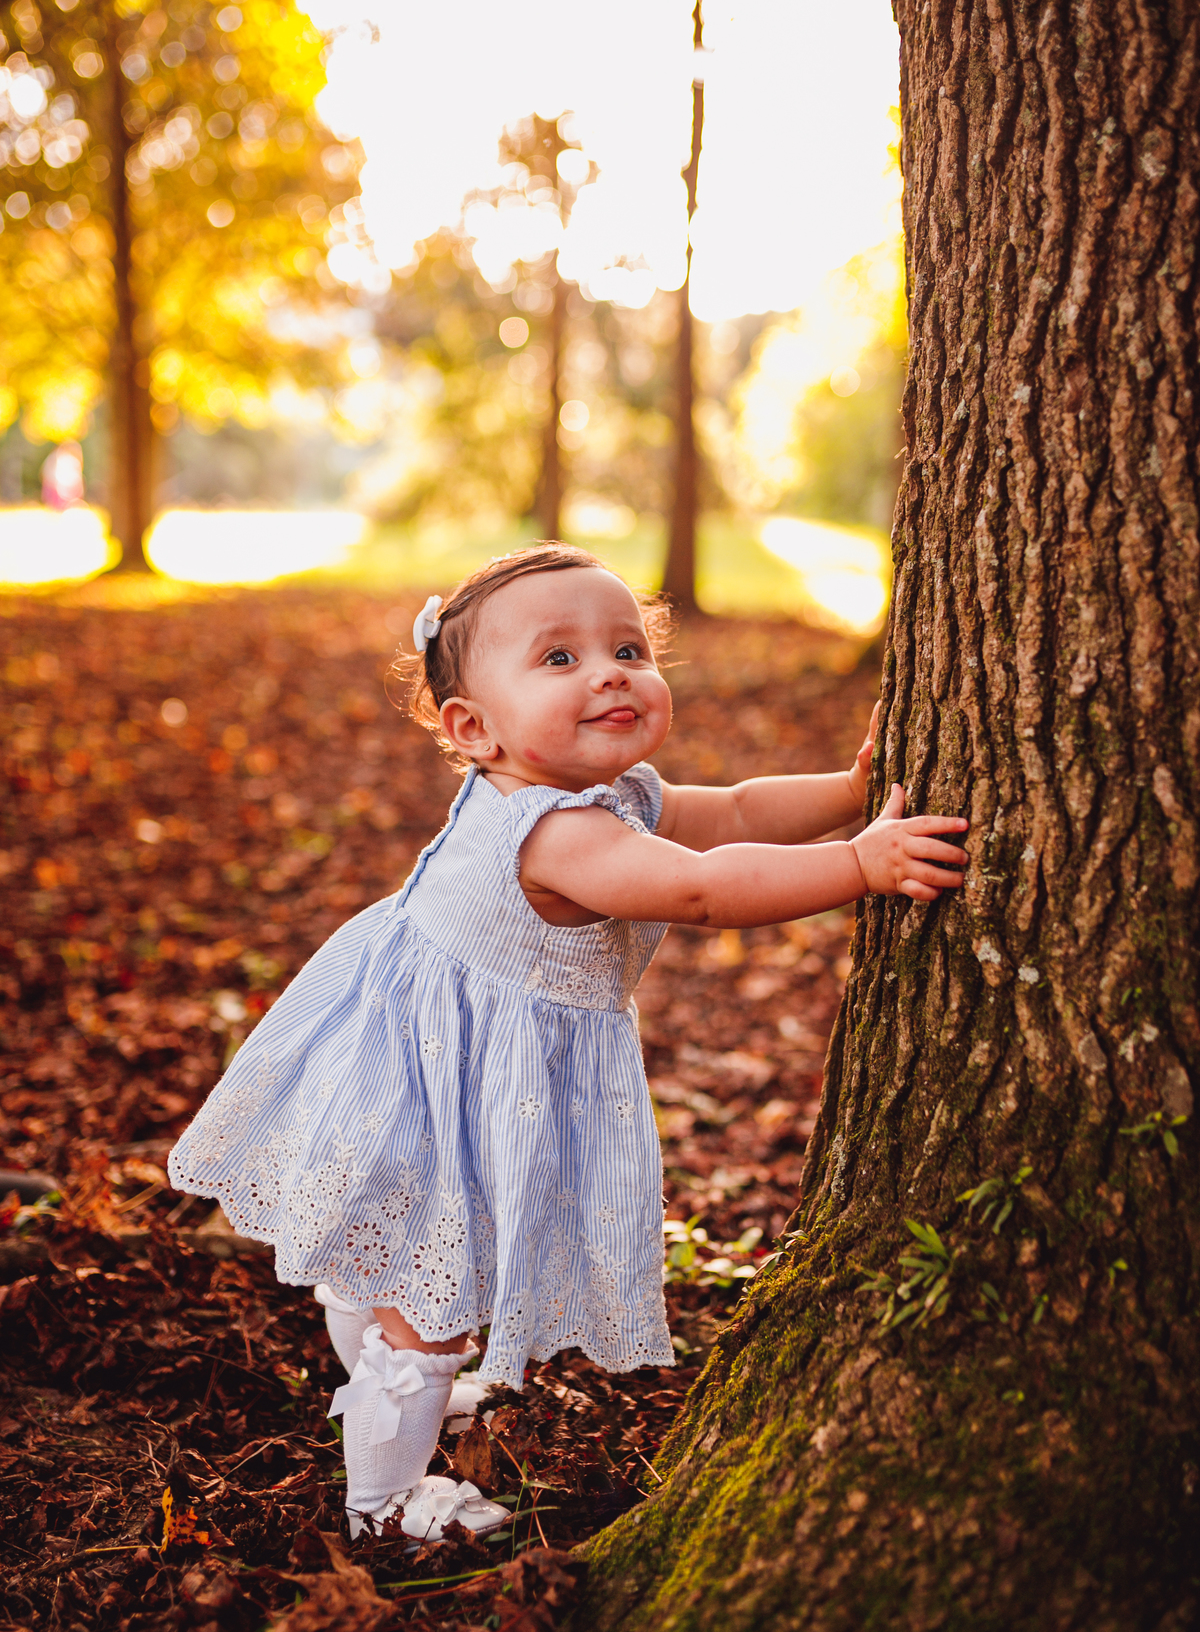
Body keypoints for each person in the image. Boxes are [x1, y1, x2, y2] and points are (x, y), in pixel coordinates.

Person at [167, 543, 968, 1539]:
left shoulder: (602, 794)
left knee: (398, 1265)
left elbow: (738, 814)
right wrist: (860, 866)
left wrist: (847, 795)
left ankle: (386, 1371)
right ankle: (383, 1499)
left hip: (420, 1062)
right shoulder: (556, 835)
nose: (609, 672)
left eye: (628, 646)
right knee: (431, 1300)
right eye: (559, 659)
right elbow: (703, 888)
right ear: (474, 728)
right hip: (434, 1087)